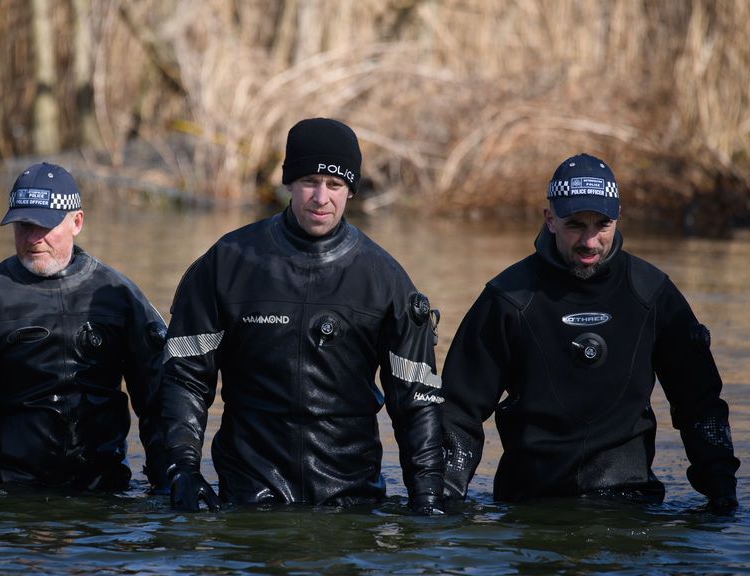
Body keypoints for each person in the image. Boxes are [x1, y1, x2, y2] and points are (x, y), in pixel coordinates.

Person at [161, 118, 444, 513]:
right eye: (310, 181)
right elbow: (186, 380)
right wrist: (184, 470)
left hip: (351, 497)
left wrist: (427, 494)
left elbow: (416, 400)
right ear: (288, 183)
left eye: (335, 185)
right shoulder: (228, 262)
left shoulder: (385, 279)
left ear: (351, 191)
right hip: (248, 494)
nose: (321, 197)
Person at [441, 153, 740, 513]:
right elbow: (460, 411)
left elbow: (699, 403)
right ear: (549, 220)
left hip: (628, 502)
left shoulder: (652, 294)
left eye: (602, 224)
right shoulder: (510, 298)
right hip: (530, 506)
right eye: (575, 225)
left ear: (618, 218)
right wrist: (443, 495)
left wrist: (721, 491)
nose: (590, 241)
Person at [0, 162, 167, 495]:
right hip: (1, 491)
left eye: (44, 226)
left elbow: (160, 399)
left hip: (101, 490)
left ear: (77, 222)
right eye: (23, 225)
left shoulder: (120, 297)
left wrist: (172, 476)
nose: (33, 238)